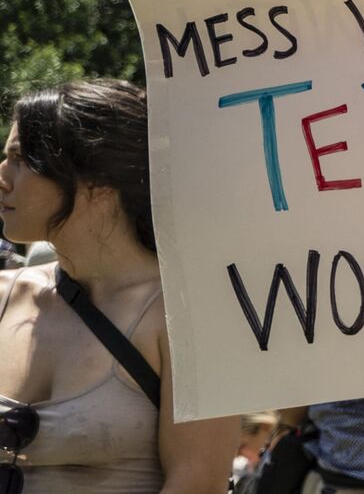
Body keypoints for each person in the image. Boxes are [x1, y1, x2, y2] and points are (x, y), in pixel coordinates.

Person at [0, 80, 239, 491]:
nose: (3, 176)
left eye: (21, 159)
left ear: (98, 183)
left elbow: (197, 481)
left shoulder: (188, 316)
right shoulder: (5, 295)